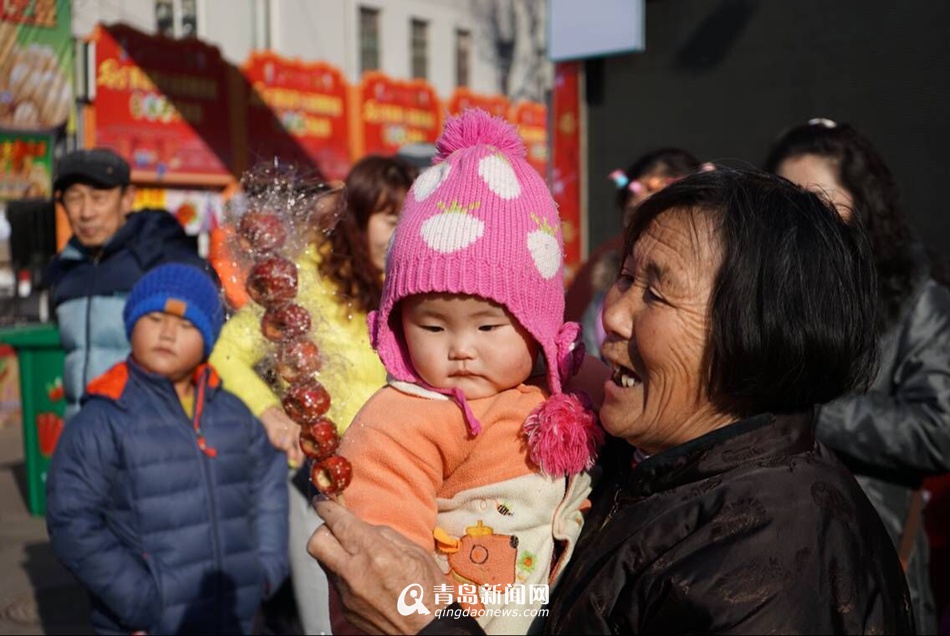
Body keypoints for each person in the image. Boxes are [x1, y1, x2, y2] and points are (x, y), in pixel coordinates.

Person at [309, 168, 916, 635]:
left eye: (657, 293)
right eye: (626, 277)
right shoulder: (649, 462)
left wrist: (426, 623)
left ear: (759, 335)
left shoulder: (775, 555)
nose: (612, 317)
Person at [335, 109, 600, 634]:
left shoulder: (564, 379)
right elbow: (381, 550)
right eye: (432, 328)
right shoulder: (404, 419)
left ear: (536, 325)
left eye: (487, 328)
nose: (460, 350)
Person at [209, 154, 418, 635]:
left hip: (394, 480)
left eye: (410, 217)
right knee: (331, 621)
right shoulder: (304, 282)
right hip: (319, 482)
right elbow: (225, 354)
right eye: (391, 218)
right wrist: (270, 412)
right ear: (356, 221)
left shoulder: (408, 288)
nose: (401, 231)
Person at [765, 117, 950, 635]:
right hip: (771, 560)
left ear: (862, 203)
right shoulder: (763, 298)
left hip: (876, 560)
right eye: (786, 199)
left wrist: (813, 414)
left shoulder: (918, 301)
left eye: (819, 199)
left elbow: (940, 427)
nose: (802, 217)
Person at [46, 263, 288, 635]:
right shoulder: (103, 417)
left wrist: (265, 571)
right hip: (143, 622)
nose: (168, 333)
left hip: (234, 614)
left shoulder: (233, 413)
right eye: (155, 317)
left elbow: (267, 481)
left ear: (208, 340)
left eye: (188, 324)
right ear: (132, 323)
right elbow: (72, 519)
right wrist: (140, 601)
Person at [46, 148, 208, 421]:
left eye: (98, 198)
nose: (85, 212)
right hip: (82, 435)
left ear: (127, 199)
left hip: (148, 435)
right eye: (74, 199)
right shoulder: (64, 270)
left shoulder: (161, 259)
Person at [575, 148, 703, 356]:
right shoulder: (601, 308)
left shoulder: (718, 304)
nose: (647, 230)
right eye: (635, 215)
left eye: (663, 215)